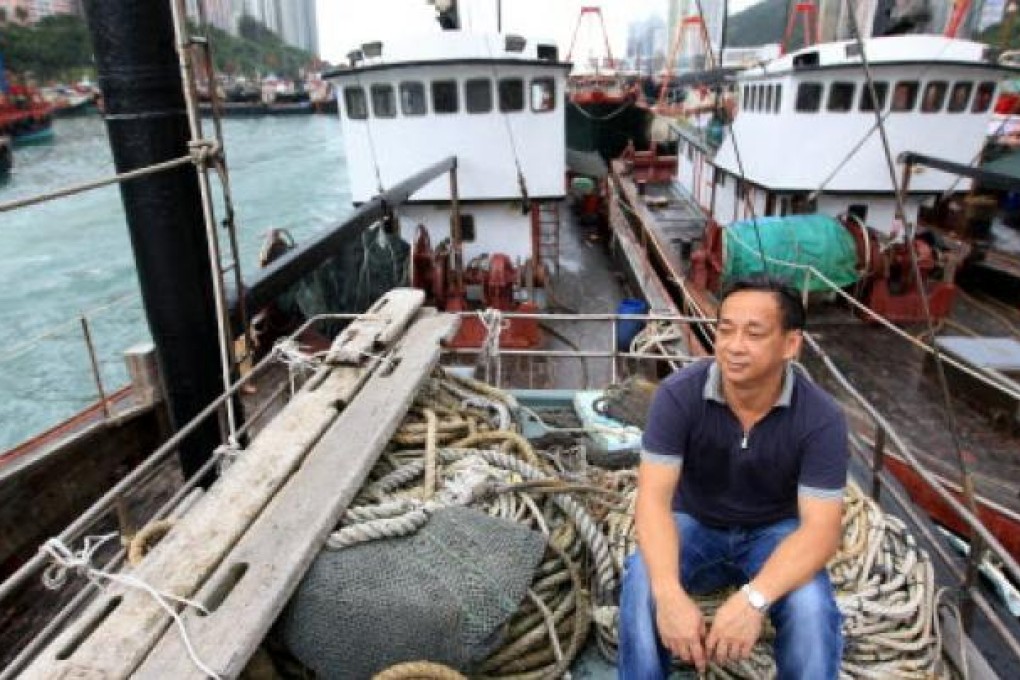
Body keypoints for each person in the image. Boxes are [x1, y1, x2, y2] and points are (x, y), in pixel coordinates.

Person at [619, 274, 848, 679]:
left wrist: (753, 601)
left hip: (774, 531)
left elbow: (821, 530)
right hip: (694, 523)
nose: (734, 346)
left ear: (790, 345)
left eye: (754, 333)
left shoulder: (821, 418)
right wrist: (670, 595)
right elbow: (653, 502)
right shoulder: (678, 396)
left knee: (812, 607)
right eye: (725, 330)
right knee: (642, 585)